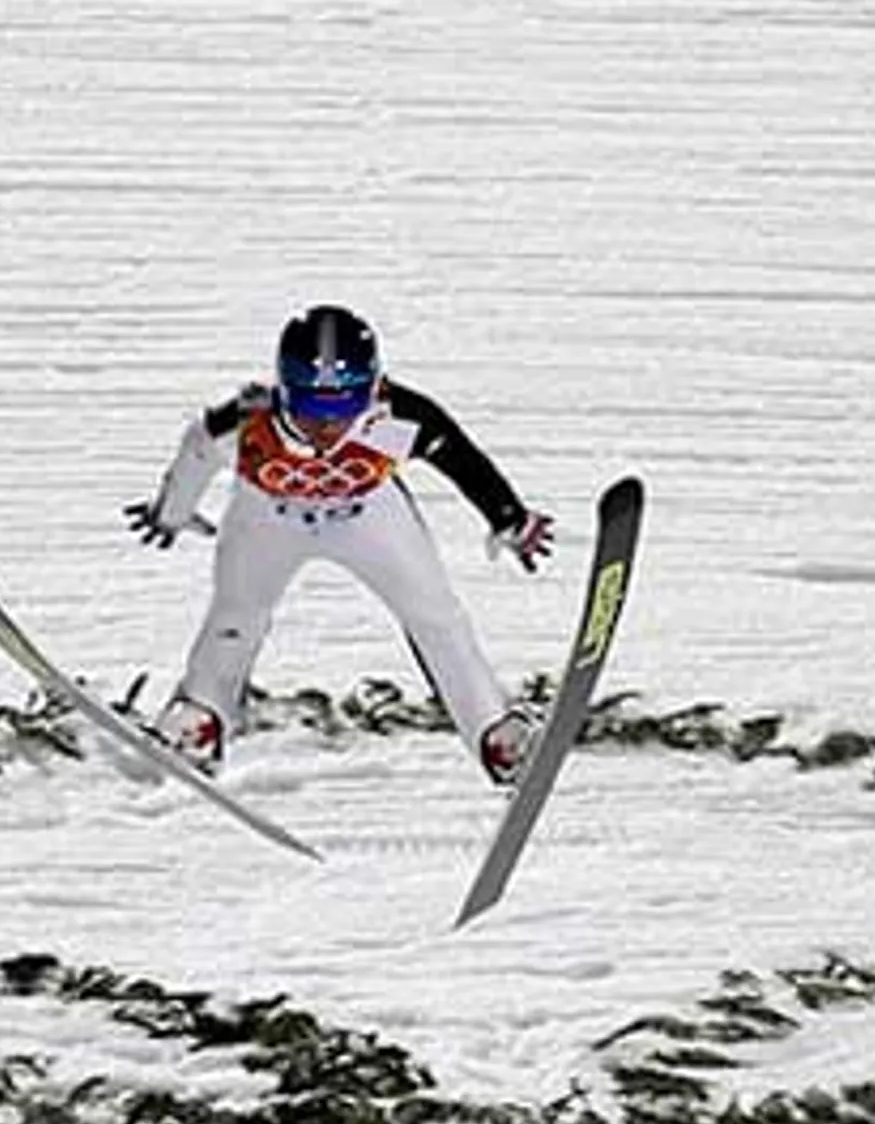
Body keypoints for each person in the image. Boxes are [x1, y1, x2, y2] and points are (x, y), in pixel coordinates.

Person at [124, 304, 554, 782]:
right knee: (236, 616)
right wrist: (171, 514)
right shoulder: (246, 420)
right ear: (284, 391)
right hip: (269, 516)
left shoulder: (400, 416)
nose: (328, 428)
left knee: (436, 617)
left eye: (346, 408)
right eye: (310, 409)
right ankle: (201, 719)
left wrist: (510, 519)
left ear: (373, 388)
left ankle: (494, 734)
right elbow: (196, 453)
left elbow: (463, 461)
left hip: (368, 516)